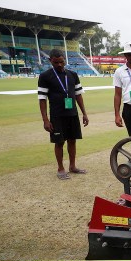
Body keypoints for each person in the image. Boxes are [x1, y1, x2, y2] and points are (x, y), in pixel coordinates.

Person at [38, 49, 89, 180]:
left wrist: (84, 113)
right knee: (59, 142)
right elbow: (42, 99)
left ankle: (73, 166)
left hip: (72, 114)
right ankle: (60, 168)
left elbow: (78, 95)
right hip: (57, 116)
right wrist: (45, 120)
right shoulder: (45, 76)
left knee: (72, 140)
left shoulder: (72, 75)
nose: (59, 65)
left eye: (61, 62)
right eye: (56, 62)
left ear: (65, 60)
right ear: (50, 61)